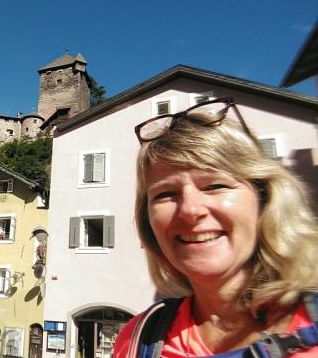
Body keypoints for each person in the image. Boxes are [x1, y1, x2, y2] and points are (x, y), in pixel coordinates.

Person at [114, 97, 318, 357]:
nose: (190, 209)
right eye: (165, 194)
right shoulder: (137, 340)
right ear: (148, 221)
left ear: (264, 198)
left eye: (214, 186)